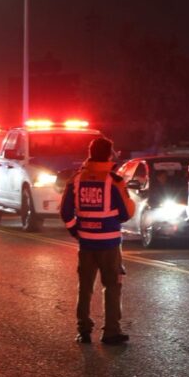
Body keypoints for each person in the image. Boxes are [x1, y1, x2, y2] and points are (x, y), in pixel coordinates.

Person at [60, 136, 135, 345]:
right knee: (112, 286)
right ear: (109, 155)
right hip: (109, 243)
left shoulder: (76, 179)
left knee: (85, 287)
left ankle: (83, 330)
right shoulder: (114, 181)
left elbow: (65, 212)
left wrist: (76, 231)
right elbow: (125, 213)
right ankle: (111, 331)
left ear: (90, 153)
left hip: (86, 243)